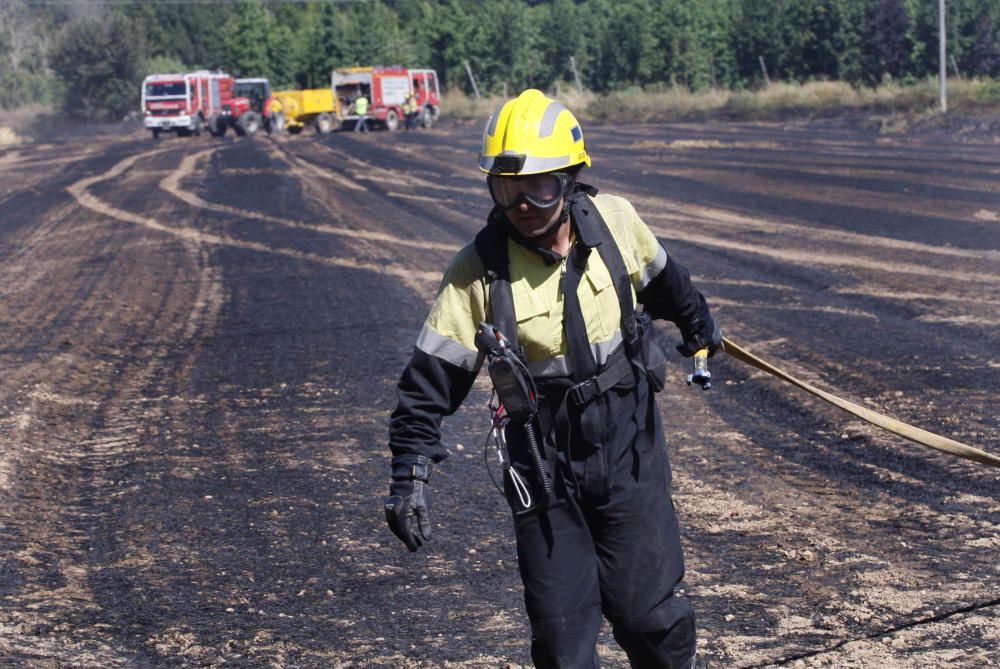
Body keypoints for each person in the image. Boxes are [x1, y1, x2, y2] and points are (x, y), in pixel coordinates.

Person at [383, 89, 720, 669]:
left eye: (536, 188)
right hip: (540, 463)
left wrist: (698, 330)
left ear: (568, 180)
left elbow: (668, 283)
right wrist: (409, 472)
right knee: (562, 641)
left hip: (628, 446)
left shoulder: (616, 223)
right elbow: (429, 382)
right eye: (505, 190)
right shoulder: (477, 272)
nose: (520, 205)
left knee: (648, 618)